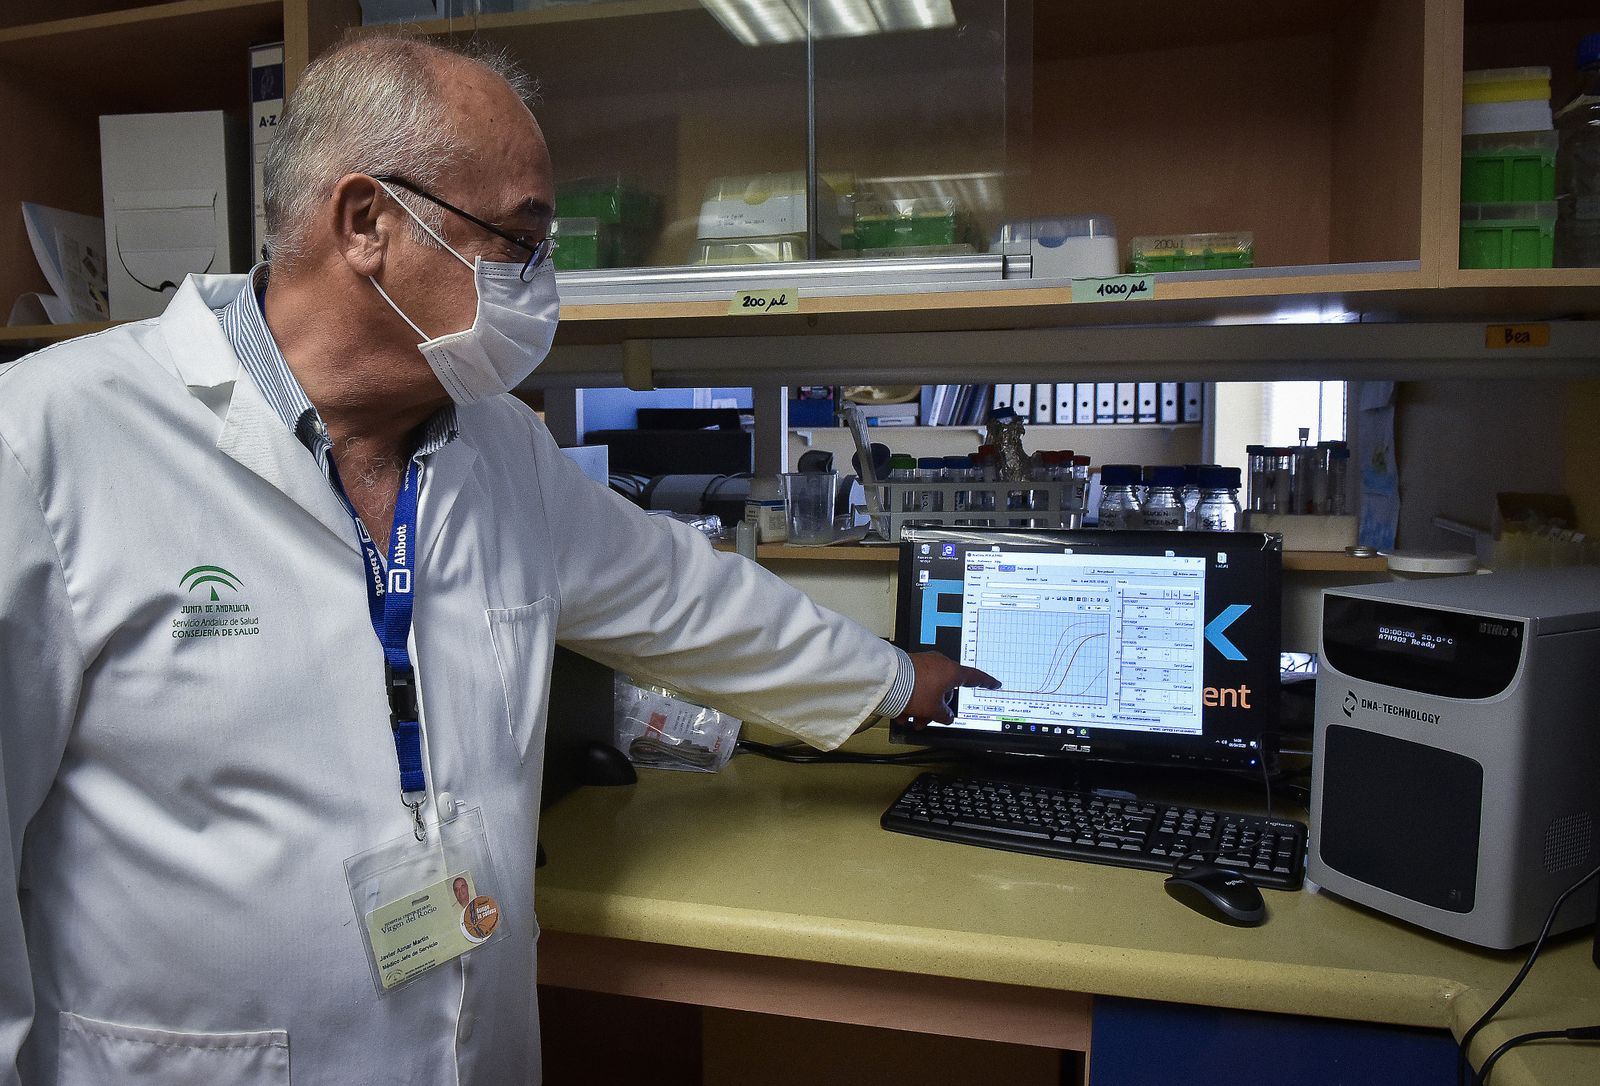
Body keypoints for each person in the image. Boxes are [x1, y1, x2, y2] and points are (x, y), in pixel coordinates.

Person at [0, 34, 994, 1086]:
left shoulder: (497, 445)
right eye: (518, 237)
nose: (541, 279)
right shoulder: (48, 442)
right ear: (368, 223)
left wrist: (894, 678)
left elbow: (683, 596)